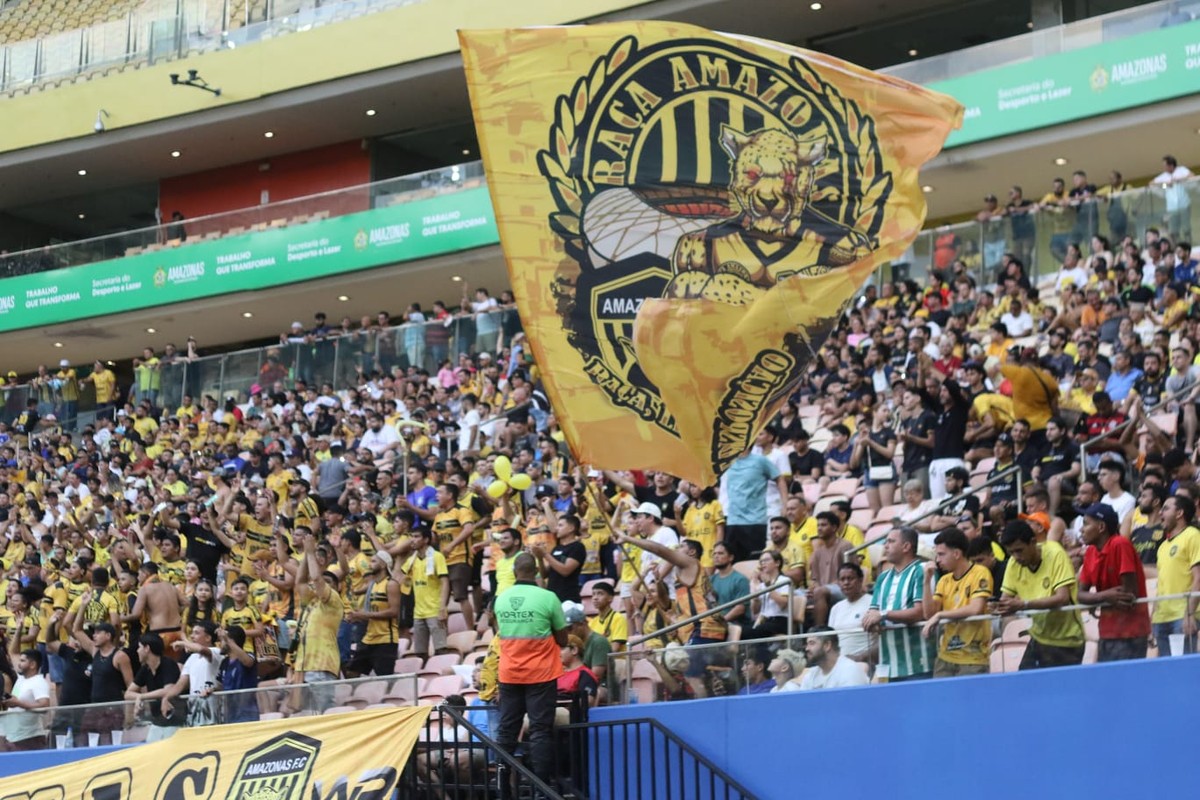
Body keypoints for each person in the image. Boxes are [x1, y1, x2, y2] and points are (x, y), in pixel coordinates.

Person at [494, 553, 569, 784]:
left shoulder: (501, 599)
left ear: (514, 571)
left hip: (509, 673)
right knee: (540, 730)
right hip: (541, 673)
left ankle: (502, 786)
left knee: (507, 730)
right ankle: (540, 788)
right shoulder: (548, 597)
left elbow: (499, 631)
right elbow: (563, 640)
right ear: (536, 571)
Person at [996, 520, 1085, 669]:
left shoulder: (1055, 554)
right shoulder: (1013, 563)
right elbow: (1005, 599)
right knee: (1024, 682)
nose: (1016, 557)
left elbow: (1062, 598)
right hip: (1038, 638)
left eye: (1019, 550)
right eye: (1011, 552)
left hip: (1067, 641)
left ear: (1033, 542)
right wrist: (998, 606)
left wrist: (1023, 604)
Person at [1076, 504, 1150, 662]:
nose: (1081, 530)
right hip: (1106, 631)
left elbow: (1128, 595)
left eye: (1086, 524)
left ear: (1101, 527)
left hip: (1131, 632)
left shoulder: (1120, 544)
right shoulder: (1090, 552)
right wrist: (1105, 596)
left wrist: (1095, 599)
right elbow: (1080, 595)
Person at [921, 528, 992, 677]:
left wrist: (941, 615)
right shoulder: (944, 580)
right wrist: (926, 582)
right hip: (945, 657)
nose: (937, 560)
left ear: (957, 554)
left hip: (973, 658)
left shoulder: (980, 573)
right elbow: (929, 614)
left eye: (941, 554)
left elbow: (975, 608)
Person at [863, 527, 932, 681]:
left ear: (906, 546)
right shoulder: (883, 577)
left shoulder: (922, 571)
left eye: (891, 541)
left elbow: (920, 612)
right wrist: (871, 622)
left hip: (918, 663)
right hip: (889, 664)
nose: (885, 546)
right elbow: (872, 613)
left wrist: (883, 615)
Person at [291, 532, 345, 710]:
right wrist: (307, 557)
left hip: (322, 666)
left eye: (328, 582)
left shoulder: (334, 601)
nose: (322, 584)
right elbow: (300, 581)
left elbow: (316, 578)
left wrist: (310, 553)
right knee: (306, 718)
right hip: (303, 667)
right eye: (323, 581)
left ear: (336, 587)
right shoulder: (311, 601)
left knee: (323, 714)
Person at [1151, 496, 1200, 656]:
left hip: (1182, 615)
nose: (1160, 513)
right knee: (1166, 668)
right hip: (1161, 618)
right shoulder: (1162, 547)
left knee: (1184, 667)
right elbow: (1162, 584)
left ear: (1179, 513)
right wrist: (1153, 618)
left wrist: (1189, 613)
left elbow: (1198, 578)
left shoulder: (1193, 535)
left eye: (1166, 508)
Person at [721, 450, 786, 563]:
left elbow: (779, 478)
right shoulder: (727, 462)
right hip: (733, 520)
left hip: (755, 521)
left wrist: (785, 504)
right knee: (733, 563)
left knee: (755, 562)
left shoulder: (760, 460)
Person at [346, 549, 401, 676]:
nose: (370, 564)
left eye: (374, 561)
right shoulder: (372, 585)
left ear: (383, 565)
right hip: (369, 638)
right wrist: (357, 616)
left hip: (385, 639)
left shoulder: (391, 584)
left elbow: (394, 611)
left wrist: (365, 615)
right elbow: (372, 611)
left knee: (384, 676)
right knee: (351, 671)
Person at [124, 633, 185, 742]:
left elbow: (169, 690)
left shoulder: (168, 664)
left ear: (147, 648)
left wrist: (142, 697)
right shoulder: (145, 669)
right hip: (157, 721)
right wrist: (138, 697)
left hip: (174, 721)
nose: (137, 651)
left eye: (139, 647)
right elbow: (128, 694)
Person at [400, 526, 449, 656]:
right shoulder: (411, 560)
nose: (412, 540)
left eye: (416, 537)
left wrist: (442, 607)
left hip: (435, 610)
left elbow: (445, 582)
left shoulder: (437, 556)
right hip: (418, 612)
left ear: (426, 539)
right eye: (411, 536)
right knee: (420, 652)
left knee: (441, 649)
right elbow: (402, 579)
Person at [2, 649, 51, 751]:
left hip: (29, 737)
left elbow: (44, 706)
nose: (18, 664)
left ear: (32, 665)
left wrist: (18, 703)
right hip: (13, 736)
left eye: (22, 661)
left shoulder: (39, 682)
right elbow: (13, 651)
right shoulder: (21, 679)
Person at [534, 513, 586, 604]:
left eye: (560, 525)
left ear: (571, 528)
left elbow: (566, 571)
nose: (556, 528)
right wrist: (540, 558)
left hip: (568, 598)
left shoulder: (577, 547)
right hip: (552, 597)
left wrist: (545, 554)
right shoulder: (556, 548)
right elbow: (544, 574)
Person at [795, 627, 869, 690]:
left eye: (812, 643)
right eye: (807, 644)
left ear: (827, 645)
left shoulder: (850, 671)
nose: (807, 649)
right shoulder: (811, 675)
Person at [828, 563, 872, 662]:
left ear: (860, 580)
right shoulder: (836, 608)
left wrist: (860, 658)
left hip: (864, 663)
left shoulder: (872, 603)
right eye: (842, 579)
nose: (846, 583)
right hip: (839, 663)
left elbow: (881, 642)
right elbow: (832, 641)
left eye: (850, 578)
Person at [214, 625, 259, 723]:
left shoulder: (249, 655)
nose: (219, 644)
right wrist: (211, 690)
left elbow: (247, 662)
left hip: (247, 714)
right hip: (229, 714)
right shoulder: (224, 662)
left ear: (231, 641)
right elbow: (220, 685)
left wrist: (228, 640)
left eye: (222, 640)